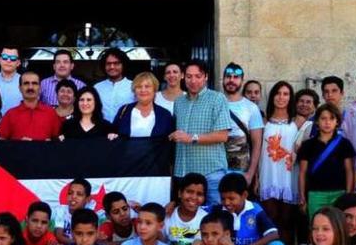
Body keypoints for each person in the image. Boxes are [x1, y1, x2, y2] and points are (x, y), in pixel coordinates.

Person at [170, 59, 231, 206]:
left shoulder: (217, 98)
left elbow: (223, 135)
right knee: (188, 222)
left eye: (198, 76)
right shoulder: (179, 102)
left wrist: (191, 138)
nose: (193, 81)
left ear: (206, 77)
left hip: (211, 173)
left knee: (216, 218)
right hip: (184, 174)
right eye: (189, 76)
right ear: (183, 77)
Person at [258, 81, 299, 245]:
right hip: (267, 175)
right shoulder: (262, 120)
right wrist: (255, 177)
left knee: (288, 221)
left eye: (286, 94)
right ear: (272, 96)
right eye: (278, 93)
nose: (281, 97)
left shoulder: (298, 121)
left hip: (289, 177)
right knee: (270, 221)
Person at [297, 103, 356, 219]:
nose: (327, 122)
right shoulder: (307, 145)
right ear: (317, 121)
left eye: (332, 118)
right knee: (316, 226)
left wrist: (348, 194)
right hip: (315, 194)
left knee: (338, 227)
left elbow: (349, 170)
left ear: (337, 122)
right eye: (323, 118)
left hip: (339, 193)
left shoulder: (344, 144)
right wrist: (302, 196)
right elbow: (302, 172)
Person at [222, 62, 263, 184]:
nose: (231, 80)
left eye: (236, 77)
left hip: (241, 171)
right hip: (216, 170)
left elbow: (257, 144)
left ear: (242, 80)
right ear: (223, 79)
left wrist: (251, 173)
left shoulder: (251, 108)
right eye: (228, 76)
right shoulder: (214, 103)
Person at [0, 71, 62, 141]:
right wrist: (18, 144)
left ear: (40, 88)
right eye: (26, 83)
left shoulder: (51, 113)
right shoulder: (10, 114)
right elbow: (0, 144)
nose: (30, 87)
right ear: (20, 88)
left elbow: (58, 142)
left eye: (34, 83)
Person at [112, 72, 174, 138]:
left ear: (154, 90)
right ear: (134, 91)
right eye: (139, 87)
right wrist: (112, 135)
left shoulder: (165, 114)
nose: (143, 90)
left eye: (147, 86)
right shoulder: (124, 110)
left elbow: (169, 141)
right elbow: (113, 132)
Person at [164, 172, 209, 245]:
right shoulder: (168, 215)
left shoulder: (206, 219)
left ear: (204, 198)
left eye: (199, 194)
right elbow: (160, 242)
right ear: (180, 193)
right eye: (189, 192)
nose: (194, 197)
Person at [94, 48, 135, 122]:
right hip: (102, 130)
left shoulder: (133, 86)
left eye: (116, 63)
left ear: (123, 65)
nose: (112, 67)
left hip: (126, 130)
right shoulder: (97, 88)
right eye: (108, 64)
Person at [53, 178, 92, 245]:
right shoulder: (61, 210)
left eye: (79, 194)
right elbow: (59, 236)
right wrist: (79, 244)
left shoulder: (90, 215)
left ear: (87, 199)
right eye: (70, 193)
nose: (73, 197)